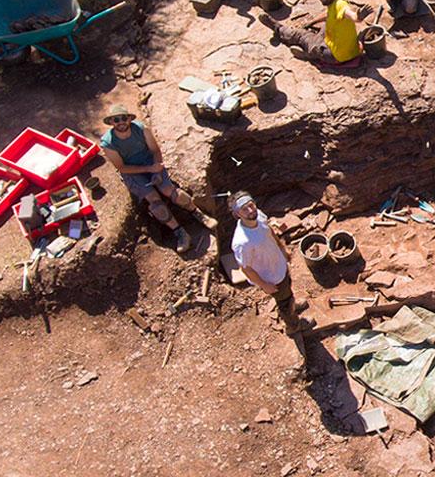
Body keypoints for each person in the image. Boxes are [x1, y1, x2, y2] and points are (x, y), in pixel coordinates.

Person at [99, 104, 214, 254]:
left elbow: (155, 150)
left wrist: (157, 169)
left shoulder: (141, 129)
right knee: (154, 200)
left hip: (150, 162)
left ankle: (197, 212)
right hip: (133, 172)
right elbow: (122, 168)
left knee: (168, 190)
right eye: (116, 119)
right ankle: (180, 232)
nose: (121, 122)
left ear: (129, 119)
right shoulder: (108, 143)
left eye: (123, 118)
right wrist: (149, 170)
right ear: (111, 123)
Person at [229, 191, 310, 334]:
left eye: (251, 204)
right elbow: (246, 268)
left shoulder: (258, 215)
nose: (250, 210)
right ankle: (293, 325)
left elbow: (269, 231)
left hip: (279, 265)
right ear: (237, 214)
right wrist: (264, 285)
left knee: (288, 290)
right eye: (244, 209)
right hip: (271, 278)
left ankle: (292, 304)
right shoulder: (242, 242)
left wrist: (282, 249)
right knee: (284, 302)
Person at [258, 0, 362, 66]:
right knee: (325, 25)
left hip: (334, 54)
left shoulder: (340, 5)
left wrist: (357, 17)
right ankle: (310, 47)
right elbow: (328, 15)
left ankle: (278, 29)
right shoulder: (334, 4)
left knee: (302, 35)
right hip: (345, 48)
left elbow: (350, 14)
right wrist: (311, 22)